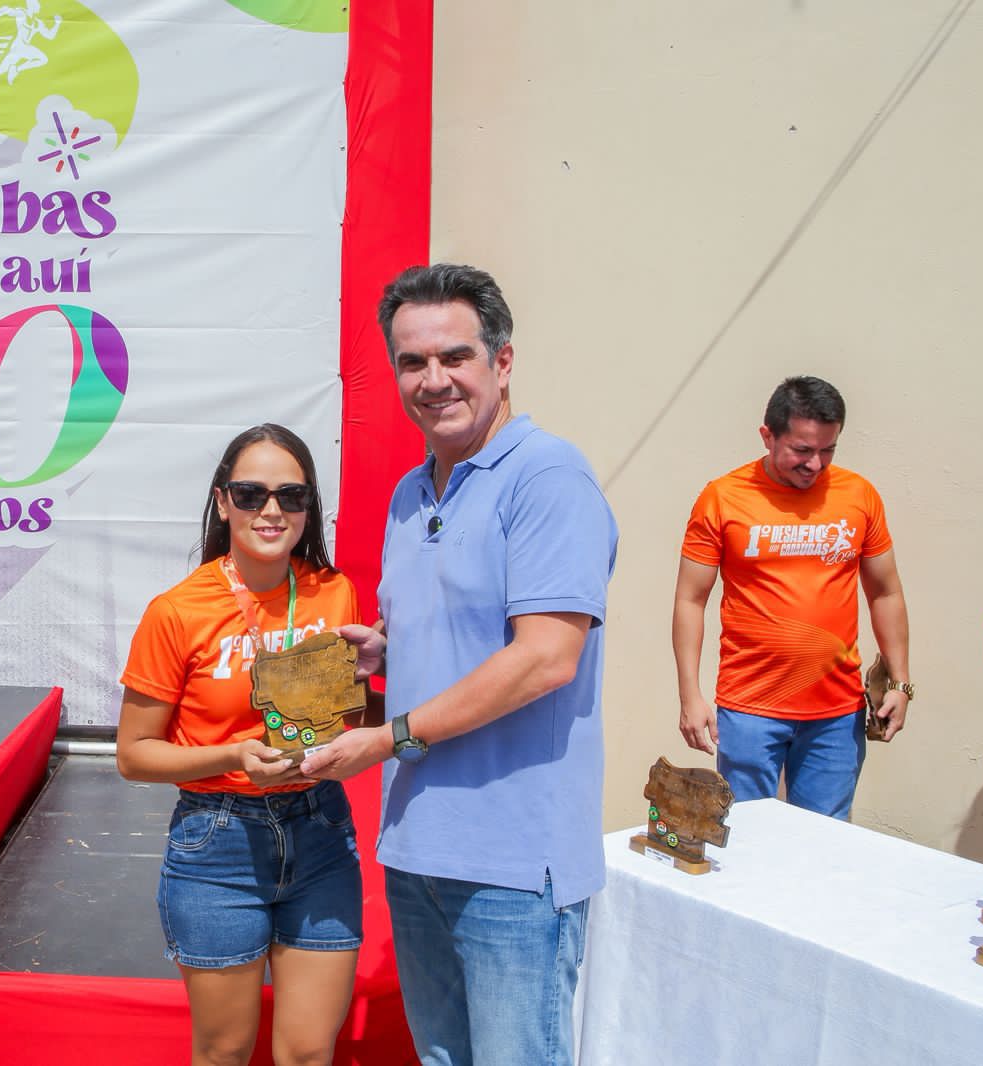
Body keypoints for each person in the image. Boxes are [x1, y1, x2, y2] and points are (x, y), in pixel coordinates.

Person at [301, 263, 617, 1066]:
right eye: (412, 362)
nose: (433, 380)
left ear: (502, 362)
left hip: (514, 865)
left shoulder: (549, 477)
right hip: (417, 849)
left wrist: (388, 738)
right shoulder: (412, 494)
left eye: (455, 356)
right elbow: (463, 636)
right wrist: (388, 652)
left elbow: (545, 659)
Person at [116, 424, 370, 1066]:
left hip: (320, 829)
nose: (272, 510)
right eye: (251, 493)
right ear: (223, 501)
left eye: (292, 495)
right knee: (224, 1051)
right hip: (218, 843)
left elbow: (348, 710)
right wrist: (233, 756)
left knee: (308, 1052)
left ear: (310, 506)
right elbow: (134, 754)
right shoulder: (178, 611)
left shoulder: (335, 592)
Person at [673, 375, 913, 820]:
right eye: (802, 450)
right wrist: (690, 695)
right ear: (768, 435)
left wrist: (900, 682)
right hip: (750, 708)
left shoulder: (859, 496)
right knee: (746, 840)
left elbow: (885, 591)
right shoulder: (722, 498)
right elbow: (690, 599)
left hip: (836, 714)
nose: (815, 464)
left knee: (824, 844)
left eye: (828, 450)